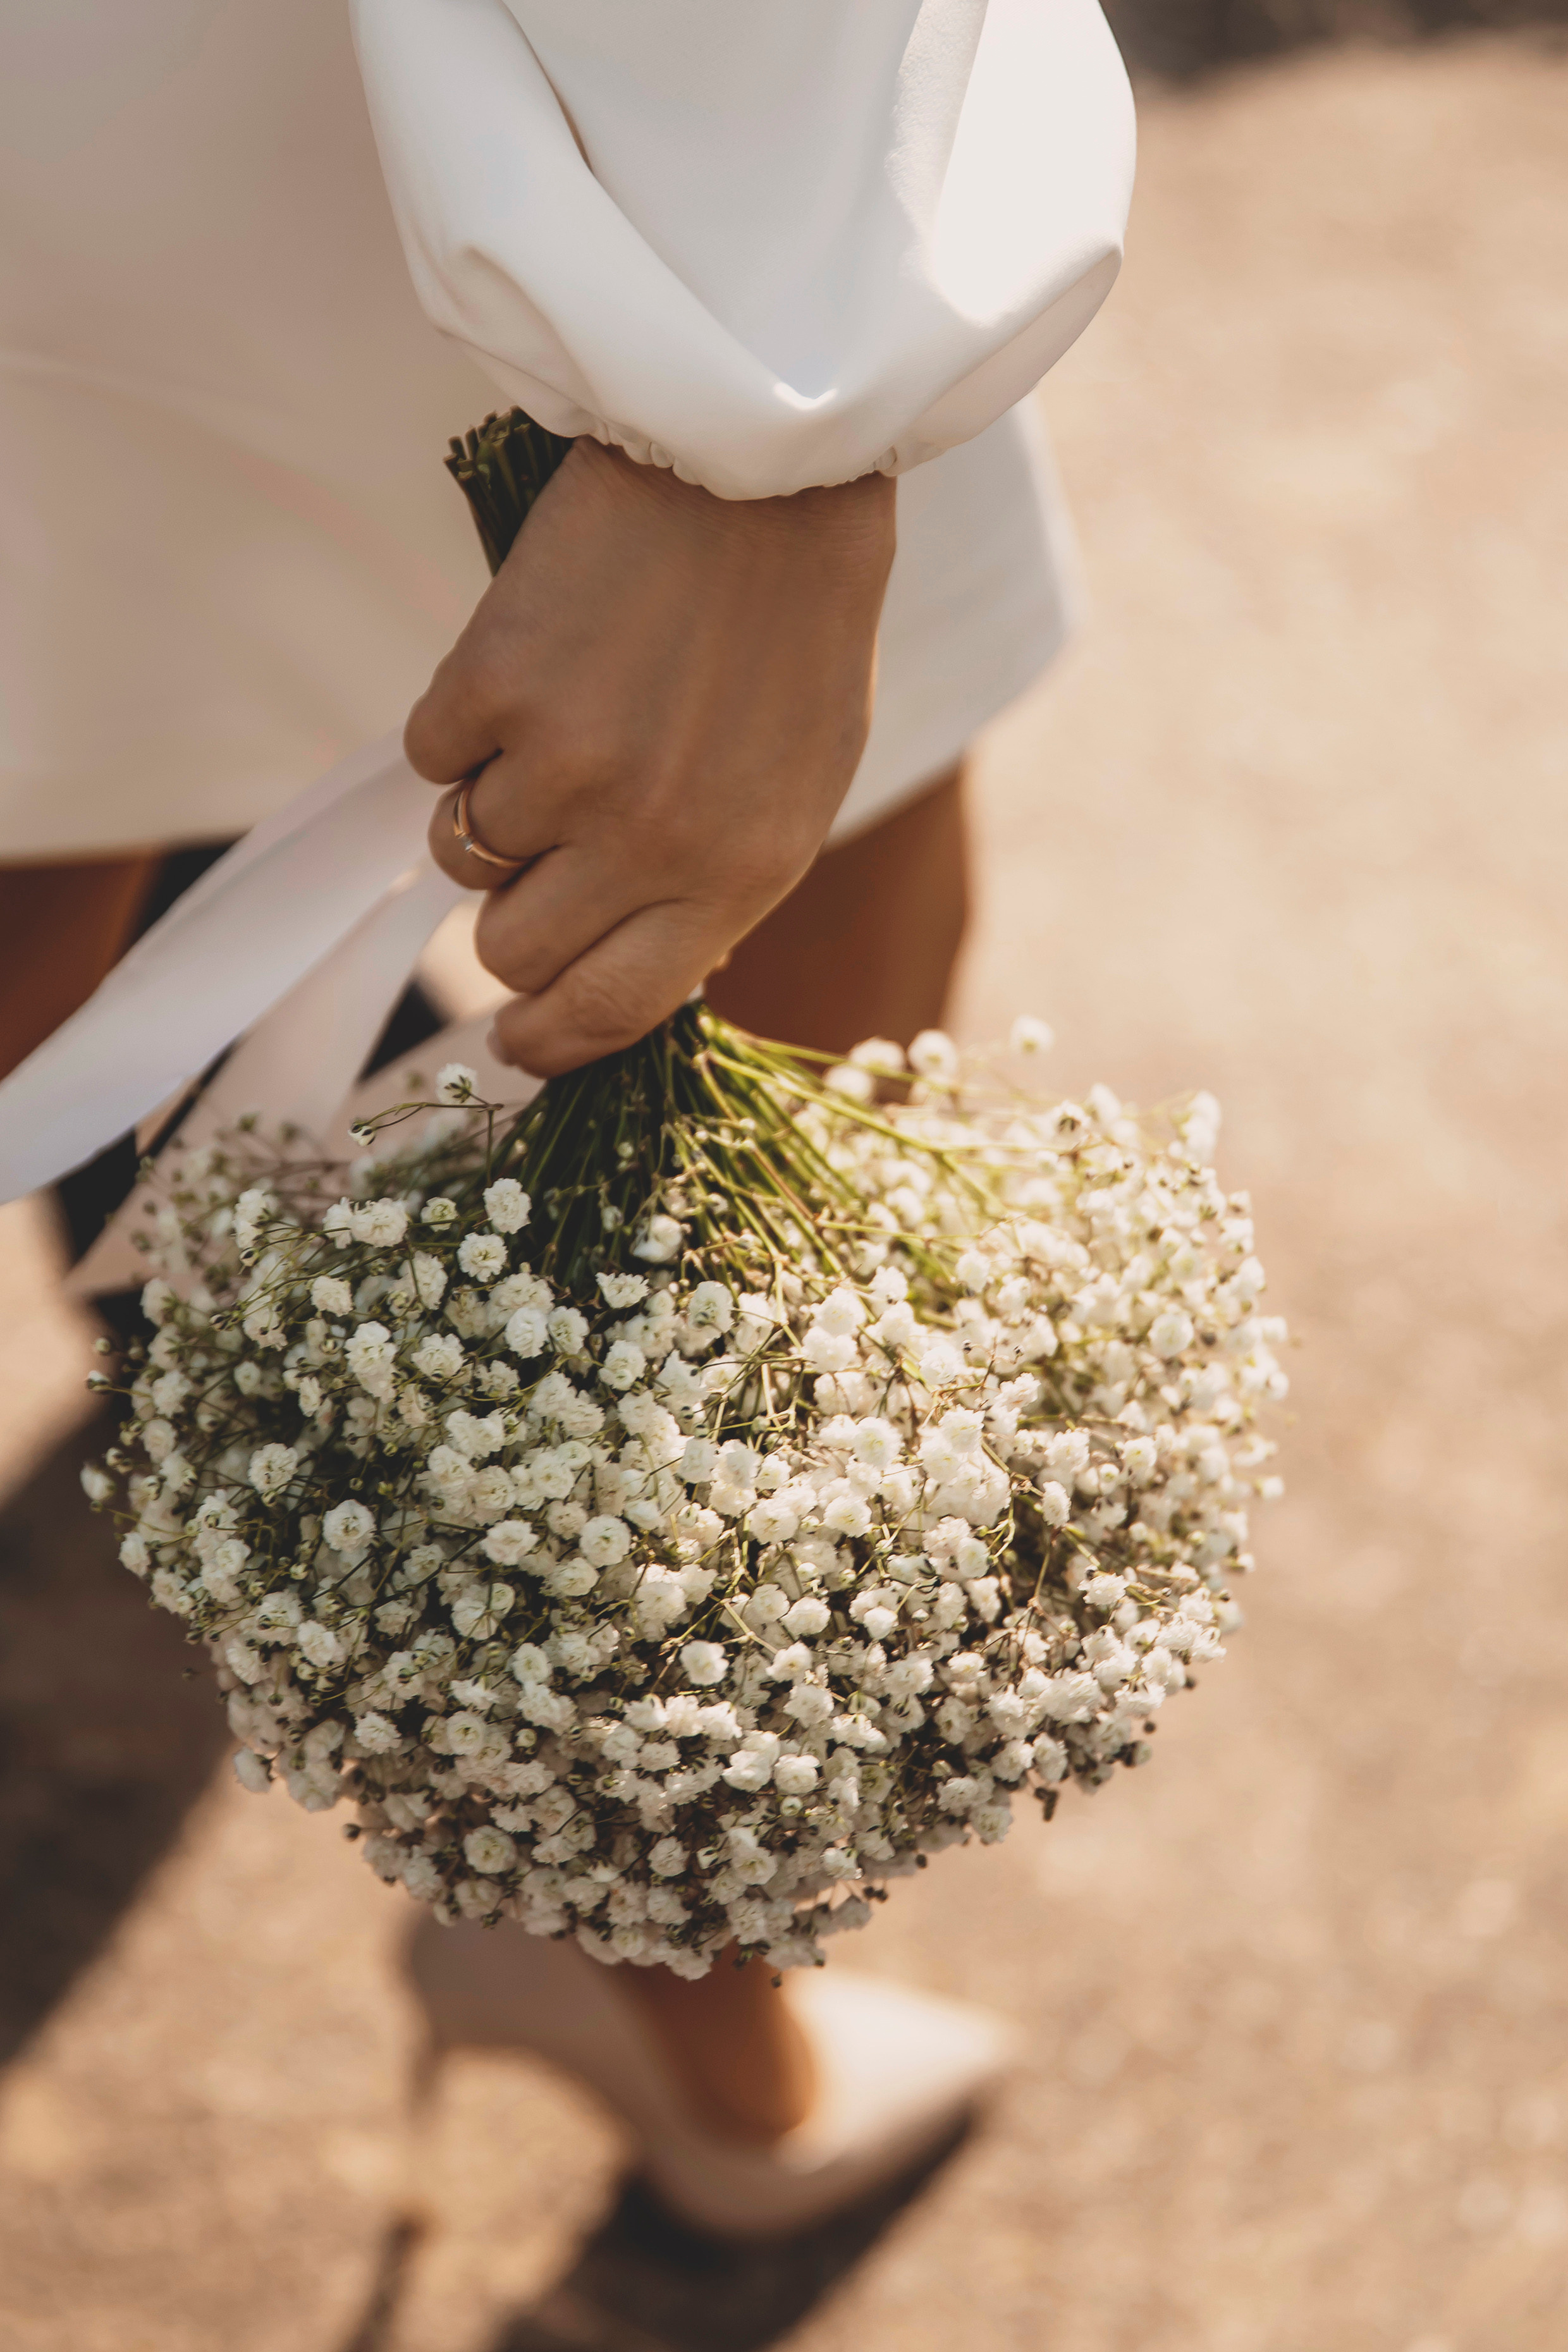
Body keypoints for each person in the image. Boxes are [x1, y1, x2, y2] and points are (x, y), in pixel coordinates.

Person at [0, 0, 1134, 2239]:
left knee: (51, 776)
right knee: (804, 917)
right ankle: (670, 1973)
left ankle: (612, 1868)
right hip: (532, 108)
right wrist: (770, 374)